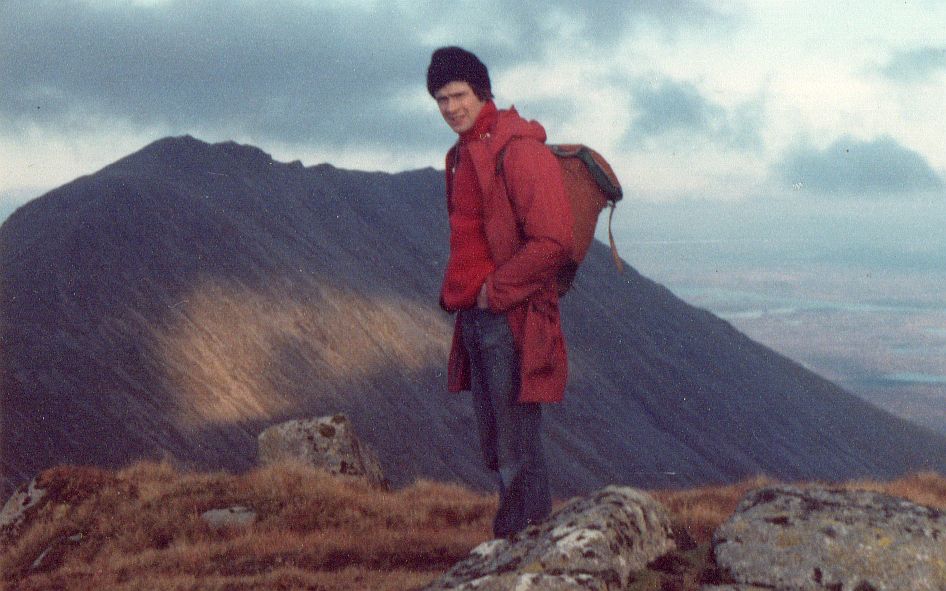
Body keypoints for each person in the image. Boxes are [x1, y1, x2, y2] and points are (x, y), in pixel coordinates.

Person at [426, 46, 574, 538]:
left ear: (481, 91)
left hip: (507, 317)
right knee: (498, 440)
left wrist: (494, 292)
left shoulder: (518, 149)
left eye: (458, 95)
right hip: (476, 316)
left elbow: (554, 240)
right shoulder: (461, 155)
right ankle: (532, 543)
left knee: (515, 441)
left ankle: (523, 543)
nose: (450, 108)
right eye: (441, 99)